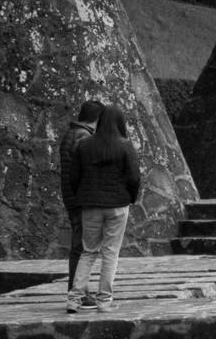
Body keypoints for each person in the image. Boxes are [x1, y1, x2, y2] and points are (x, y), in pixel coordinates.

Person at [62, 105, 140, 313]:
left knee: (88, 252)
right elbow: (134, 177)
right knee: (110, 253)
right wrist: (130, 197)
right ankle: (104, 301)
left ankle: (74, 299)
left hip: (90, 206)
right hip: (117, 206)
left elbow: (73, 176)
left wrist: (82, 196)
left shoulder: (85, 145)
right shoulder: (125, 145)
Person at [58, 100, 103, 311]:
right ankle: (78, 292)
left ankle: (78, 290)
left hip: (72, 196)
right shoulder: (84, 137)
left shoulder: (72, 134)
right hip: (81, 198)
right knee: (82, 247)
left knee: (79, 245)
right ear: (97, 118)